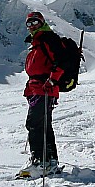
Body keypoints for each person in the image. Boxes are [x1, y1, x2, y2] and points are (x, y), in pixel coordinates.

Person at [20, 11, 64, 176]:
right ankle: (50, 160)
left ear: (42, 22)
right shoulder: (38, 41)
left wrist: (52, 79)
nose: (31, 26)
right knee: (43, 125)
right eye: (29, 24)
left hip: (44, 88)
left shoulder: (48, 39)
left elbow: (61, 61)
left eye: (35, 22)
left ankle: (40, 161)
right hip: (37, 88)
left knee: (34, 124)